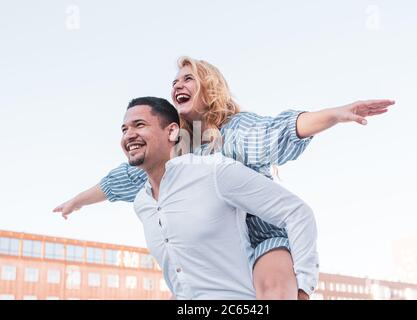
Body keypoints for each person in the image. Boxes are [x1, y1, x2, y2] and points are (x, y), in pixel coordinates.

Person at [54, 57, 394, 299]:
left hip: (260, 237)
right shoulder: (178, 147)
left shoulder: (235, 131)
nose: (178, 85)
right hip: (217, 249)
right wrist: (78, 201)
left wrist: (336, 114)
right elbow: (125, 178)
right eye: (174, 82)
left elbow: (278, 130)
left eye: (188, 79)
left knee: (273, 290)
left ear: (209, 86)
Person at [119, 96, 318, 299]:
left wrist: (303, 288)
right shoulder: (142, 204)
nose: (129, 135)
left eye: (139, 125)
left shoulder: (213, 171)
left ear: (171, 131)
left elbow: (297, 212)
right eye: (124, 129)